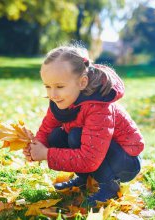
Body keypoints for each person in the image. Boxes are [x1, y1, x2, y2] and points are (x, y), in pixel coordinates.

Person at [23, 45, 144, 207]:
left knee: (75, 136)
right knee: (55, 136)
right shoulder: (60, 100)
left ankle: (110, 187)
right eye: (47, 86)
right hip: (98, 153)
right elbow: (46, 130)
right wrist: (35, 148)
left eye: (59, 86)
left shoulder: (99, 106)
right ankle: (84, 180)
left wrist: (46, 154)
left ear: (82, 82)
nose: (52, 94)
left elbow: (90, 159)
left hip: (125, 162)